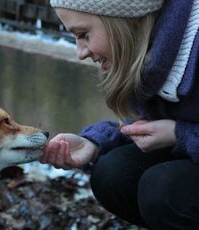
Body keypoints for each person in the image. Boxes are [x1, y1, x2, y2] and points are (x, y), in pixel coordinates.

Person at [40, 0, 199, 229]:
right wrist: (95, 143)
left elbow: (176, 130)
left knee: (163, 189)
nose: (80, 53)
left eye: (83, 34)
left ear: (122, 18)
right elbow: (149, 125)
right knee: (113, 173)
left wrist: (180, 134)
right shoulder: (155, 51)